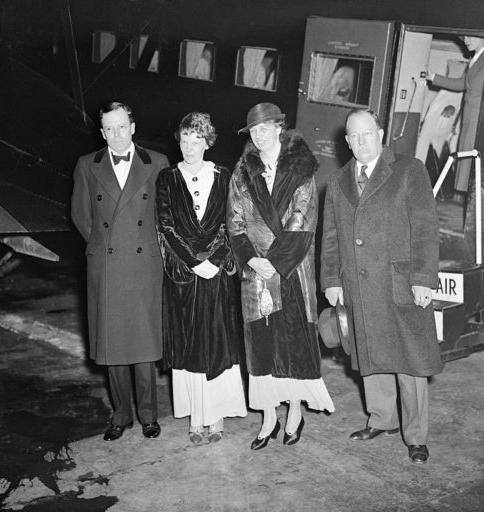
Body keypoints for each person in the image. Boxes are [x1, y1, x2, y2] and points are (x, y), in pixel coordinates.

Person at [320, 108, 443, 464]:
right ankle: (382, 419)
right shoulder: (339, 181)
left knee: (409, 362)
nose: (361, 142)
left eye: (367, 134)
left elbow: (425, 229)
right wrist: (331, 280)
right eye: (353, 137)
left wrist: (423, 279)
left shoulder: (409, 170)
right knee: (370, 355)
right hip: (356, 284)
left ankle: (416, 436)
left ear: (381, 133)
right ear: (346, 142)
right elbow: (329, 238)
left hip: (399, 282)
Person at [227, 102, 335, 451]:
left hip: (291, 270)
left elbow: (302, 220)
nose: (259, 135)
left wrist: (274, 262)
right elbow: (234, 222)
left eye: (265, 128)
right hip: (256, 273)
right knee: (262, 348)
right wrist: (252, 261)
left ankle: (293, 412)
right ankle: (269, 417)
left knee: (291, 344)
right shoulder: (243, 170)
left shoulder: (302, 169)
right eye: (253, 130)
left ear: (279, 128)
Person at [71, 101, 169, 441]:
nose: (116, 134)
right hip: (108, 265)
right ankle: (121, 414)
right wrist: (102, 245)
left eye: (121, 126)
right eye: (109, 129)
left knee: (143, 347)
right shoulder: (87, 165)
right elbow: (81, 216)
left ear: (133, 127)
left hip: (144, 265)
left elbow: (164, 214)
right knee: (113, 347)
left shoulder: (156, 163)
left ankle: (148, 415)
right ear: (102, 132)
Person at [156, 112, 246, 444]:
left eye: (197, 140)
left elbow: (231, 223)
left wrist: (216, 260)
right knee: (189, 344)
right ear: (177, 141)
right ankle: (196, 418)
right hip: (185, 273)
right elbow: (166, 226)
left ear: (208, 142)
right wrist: (194, 262)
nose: (190, 147)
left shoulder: (224, 176)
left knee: (218, 341)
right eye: (184, 140)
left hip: (218, 272)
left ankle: (218, 416)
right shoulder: (166, 178)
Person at [426, 36, 484, 200]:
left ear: (482, 36)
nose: (465, 40)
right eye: (463, 37)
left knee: (474, 163)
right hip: (469, 118)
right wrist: (433, 77)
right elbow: (462, 83)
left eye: (469, 36)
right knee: (467, 161)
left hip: (480, 119)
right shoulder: (476, 58)